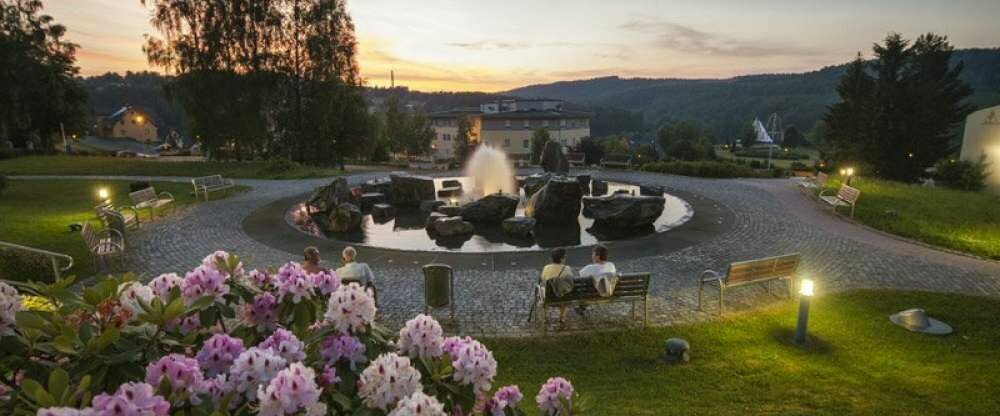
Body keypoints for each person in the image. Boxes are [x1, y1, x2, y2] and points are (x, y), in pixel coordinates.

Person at [539, 248, 574, 322]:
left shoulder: (546, 268)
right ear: (562, 259)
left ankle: (545, 317)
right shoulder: (567, 268)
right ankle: (562, 317)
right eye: (565, 257)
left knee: (544, 290)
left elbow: (542, 279)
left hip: (548, 297)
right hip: (562, 297)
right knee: (564, 290)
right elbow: (571, 282)